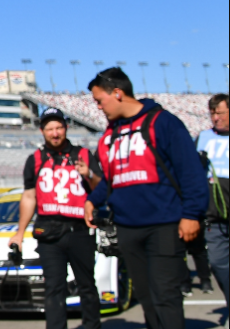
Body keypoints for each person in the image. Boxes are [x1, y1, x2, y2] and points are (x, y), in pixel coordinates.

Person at [84, 67, 207, 329]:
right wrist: (92, 200)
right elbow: (110, 179)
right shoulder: (109, 137)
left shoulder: (163, 122)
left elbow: (191, 171)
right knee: (147, 298)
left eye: (99, 100)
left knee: (166, 296)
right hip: (127, 229)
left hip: (164, 226)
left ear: (117, 93)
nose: (98, 107)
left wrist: (191, 214)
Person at [9, 107, 102, 329]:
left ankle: (92, 326)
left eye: (59, 127)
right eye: (50, 128)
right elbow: (29, 197)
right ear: (42, 131)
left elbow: (101, 189)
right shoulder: (35, 160)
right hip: (49, 233)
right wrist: (19, 233)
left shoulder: (84, 155)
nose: (55, 133)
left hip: (80, 230)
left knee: (86, 285)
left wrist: (89, 174)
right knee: (53, 288)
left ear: (66, 128)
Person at [197, 93, 229, 304]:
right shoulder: (203, 137)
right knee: (218, 263)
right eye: (212, 114)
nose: (215, 118)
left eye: (220, 113)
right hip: (214, 216)